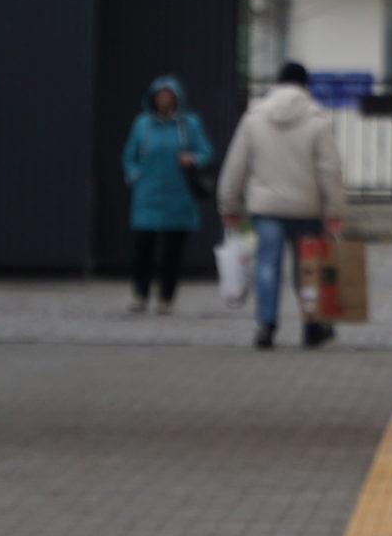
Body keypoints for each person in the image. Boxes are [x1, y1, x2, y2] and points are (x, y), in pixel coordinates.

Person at [219, 62, 347, 350]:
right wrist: (335, 212)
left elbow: (236, 164)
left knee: (267, 265)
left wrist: (230, 204)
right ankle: (312, 327)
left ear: (277, 82)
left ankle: (266, 326)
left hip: (266, 207)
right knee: (308, 269)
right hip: (307, 207)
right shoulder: (318, 119)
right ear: (305, 85)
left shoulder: (254, 117)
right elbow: (330, 169)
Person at [122, 74, 214, 314]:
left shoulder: (188, 124)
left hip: (178, 195)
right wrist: (134, 175)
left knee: (172, 250)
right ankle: (140, 294)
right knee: (143, 248)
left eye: (169, 96)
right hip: (148, 194)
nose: (164, 100)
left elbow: (206, 150)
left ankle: (166, 297)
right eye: (160, 96)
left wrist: (192, 158)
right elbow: (130, 155)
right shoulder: (143, 123)